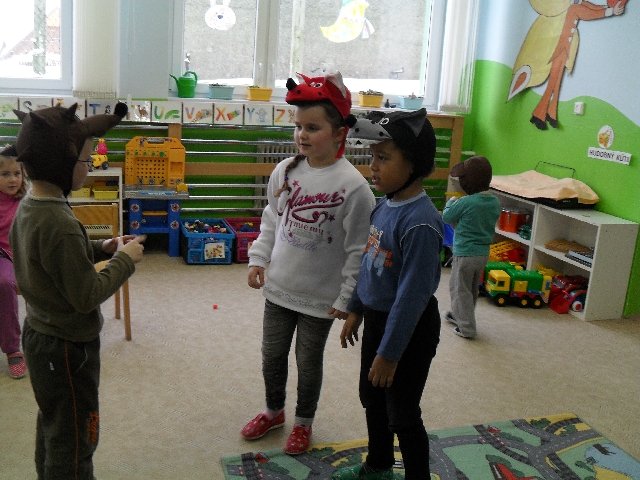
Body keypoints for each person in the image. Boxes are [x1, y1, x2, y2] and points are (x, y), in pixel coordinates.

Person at [241, 71, 376, 455]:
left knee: (308, 362)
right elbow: (272, 217)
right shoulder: (286, 170)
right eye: (298, 126)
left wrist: (347, 296)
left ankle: (303, 422)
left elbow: (358, 249)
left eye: (313, 127)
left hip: (320, 297)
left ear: (339, 133)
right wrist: (258, 258)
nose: (301, 135)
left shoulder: (354, 187)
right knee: (272, 355)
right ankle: (273, 411)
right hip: (279, 287)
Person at [10, 102, 146, 479]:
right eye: (86, 160)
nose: (89, 167)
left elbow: (52, 259)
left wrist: (103, 248)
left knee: (55, 423)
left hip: (40, 335)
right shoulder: (59, 222)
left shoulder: (31, 206)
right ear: (62, 163)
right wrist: (125, 260)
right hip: (68, 348)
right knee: (75, 437)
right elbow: (86, 294)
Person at [333, 108, 443, 480]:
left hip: (410, 331)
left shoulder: (421, 223)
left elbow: (411, 297)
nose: (373, 167)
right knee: (373, 399)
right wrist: (355, 309)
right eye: (373, 157)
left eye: (383, 158)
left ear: (414, 164)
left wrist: (390, 354)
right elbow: (370, 265)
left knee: (403, 413)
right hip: (379, 321)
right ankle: (379, 465)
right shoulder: (384, 206)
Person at [442, 156, 501, 339]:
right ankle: (460, 315)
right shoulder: (494, 202)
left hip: (465, 254)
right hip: (482, 254)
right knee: (471, 288)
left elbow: (447, 217)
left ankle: (466, 328)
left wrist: (450, 202)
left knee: (459, 289)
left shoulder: (466, 202)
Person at [0, 145, 27, 379]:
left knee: (6, 284)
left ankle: (12, 347)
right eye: (5, 174)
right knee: (4, 283)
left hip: (20, 254)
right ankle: (12, 347)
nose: (12, 179)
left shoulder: (26, 200)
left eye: (17, 173)